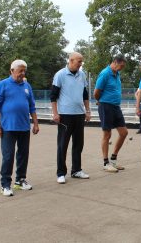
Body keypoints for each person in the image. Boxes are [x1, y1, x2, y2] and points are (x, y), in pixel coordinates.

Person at [0, 59, 39, 197]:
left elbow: (32, 106)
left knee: (23, 155)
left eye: (24, 71)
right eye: (20, 71)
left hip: (24, 126)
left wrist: (35, 123)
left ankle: (20, 180)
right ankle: (5, 184)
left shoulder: (26, 85)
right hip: (7, 127)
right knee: (8, 156)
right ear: (12, 71)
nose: (23, 73)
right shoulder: (3, 85)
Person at [50, 52, 91, 184]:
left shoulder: (82, 74)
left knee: (78, 144)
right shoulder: (60, 75)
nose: (81, 64)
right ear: (71, 60)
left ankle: (77, 170)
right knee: (63, 145)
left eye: (81, 62)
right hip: (65, 115)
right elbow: (53, 96)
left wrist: (88, 110)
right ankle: (61, 173)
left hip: (79, 114)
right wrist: (55, 113)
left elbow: (85, 94)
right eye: (79, 61)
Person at [94, 55, 128, 172]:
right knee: (107, 135)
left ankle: (113, 160)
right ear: (115, 62)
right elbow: (96, 92)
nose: (122, 68)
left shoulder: (117, 74)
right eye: (121, 66)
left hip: (115, 107)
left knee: (124, 132)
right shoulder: (105, 73)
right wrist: (100, 101)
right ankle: (105, 163)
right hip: (106, 106)